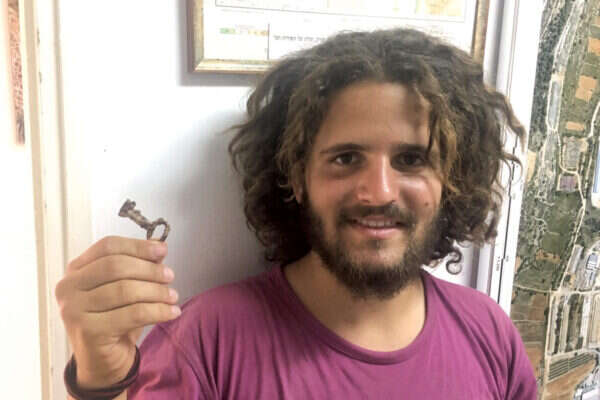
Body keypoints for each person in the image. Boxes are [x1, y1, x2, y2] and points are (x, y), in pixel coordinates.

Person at [55, 28, 538, 399]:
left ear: (450, 178)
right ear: (298, 177)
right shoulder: (204, 342)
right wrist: (101, 378)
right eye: (346, 158)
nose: (378, 191)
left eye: (411, 159)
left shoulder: (490, 334)